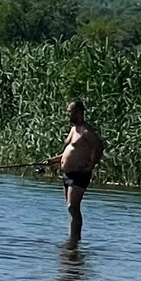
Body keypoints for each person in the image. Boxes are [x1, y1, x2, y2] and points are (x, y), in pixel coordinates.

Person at [45, 99, 104, 244]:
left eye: (69, 112)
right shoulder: (73, 130)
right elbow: (69, 152)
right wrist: (53, 160)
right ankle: (71, 239)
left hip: (79, 174)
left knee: (73, 206)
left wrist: (90, 166)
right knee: (70, 209)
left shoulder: (86, 131)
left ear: (78, 112)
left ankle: (75, 240)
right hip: (67, 174)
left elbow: (99, 148)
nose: (67, 115)